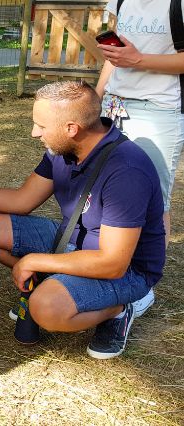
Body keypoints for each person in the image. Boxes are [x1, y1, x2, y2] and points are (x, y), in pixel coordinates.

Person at [0, 80, 165, 359]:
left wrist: (34, 261)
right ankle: (49, 281)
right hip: (71, 240)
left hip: (126, 270)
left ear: (71, 129)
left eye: (40, 126)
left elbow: (112, 263)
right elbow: (22, 201)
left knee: (46, 309)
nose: (33, 133)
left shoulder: (126, 170)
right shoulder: (63, 150)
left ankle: (119, 310)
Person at [95, 0, 184, 316]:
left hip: (159, 109)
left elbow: (134, 57)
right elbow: (116, 58)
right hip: (114, 104)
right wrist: (97, 97)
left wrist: (139, 59)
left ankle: (142, 287)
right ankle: (106, 265)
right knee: (104, 190)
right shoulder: (120, 0)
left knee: (155, 200)